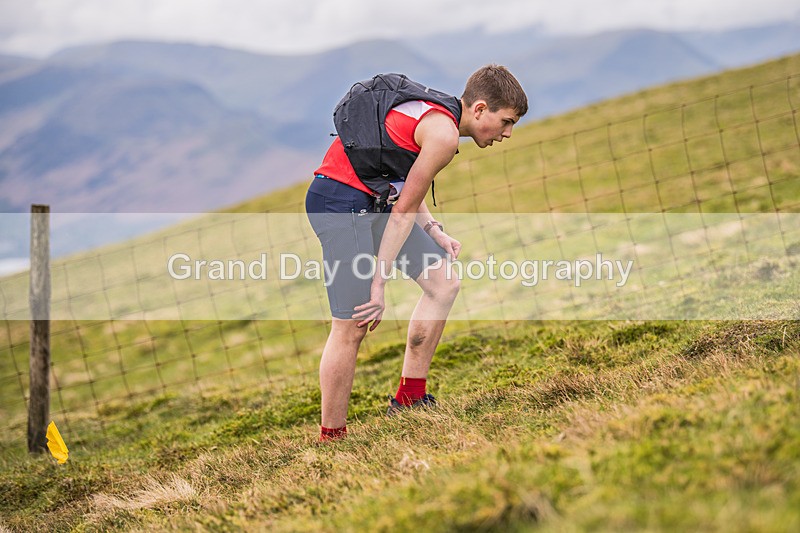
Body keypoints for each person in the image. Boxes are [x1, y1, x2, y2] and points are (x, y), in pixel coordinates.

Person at [305, 64, 528, 442]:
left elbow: (404, 186)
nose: (507, 133)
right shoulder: (442, 135)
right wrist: (379, 285)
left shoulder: (438, 115)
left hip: (376, 200)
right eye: (505, 121)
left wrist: (435, 231)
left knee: (443, 282)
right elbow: (402, 210)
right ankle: (332, 437)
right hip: (339, 202)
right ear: (479, 109)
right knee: (352, 325)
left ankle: (410, 398)